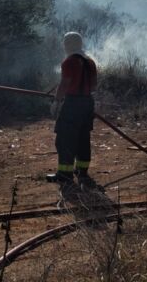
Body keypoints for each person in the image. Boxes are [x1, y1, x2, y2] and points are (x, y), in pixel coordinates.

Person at [47, 32, 97, 188]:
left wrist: (56, 101)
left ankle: (64, 174)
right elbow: (94, 85)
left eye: (65, 42)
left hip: (72, 104)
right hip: (87, 103)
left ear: (69, 44)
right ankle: (82, 172)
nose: (64, 45)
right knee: (83, 138)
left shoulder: (68, 62)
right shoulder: (90, 62)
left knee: (64, 139)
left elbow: (64, 84)